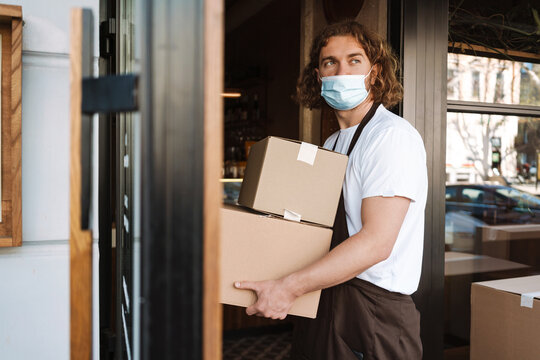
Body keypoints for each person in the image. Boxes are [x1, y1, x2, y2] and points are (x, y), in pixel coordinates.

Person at [235, 20, 428, 359]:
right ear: (318, 75)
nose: (342, 71)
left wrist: (288, 288)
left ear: (375, 71)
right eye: (330, 63)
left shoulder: (390, 137)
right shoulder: (333, 142)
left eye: (354, 60)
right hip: (327, 297)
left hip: (372, 314)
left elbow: (376, 243)